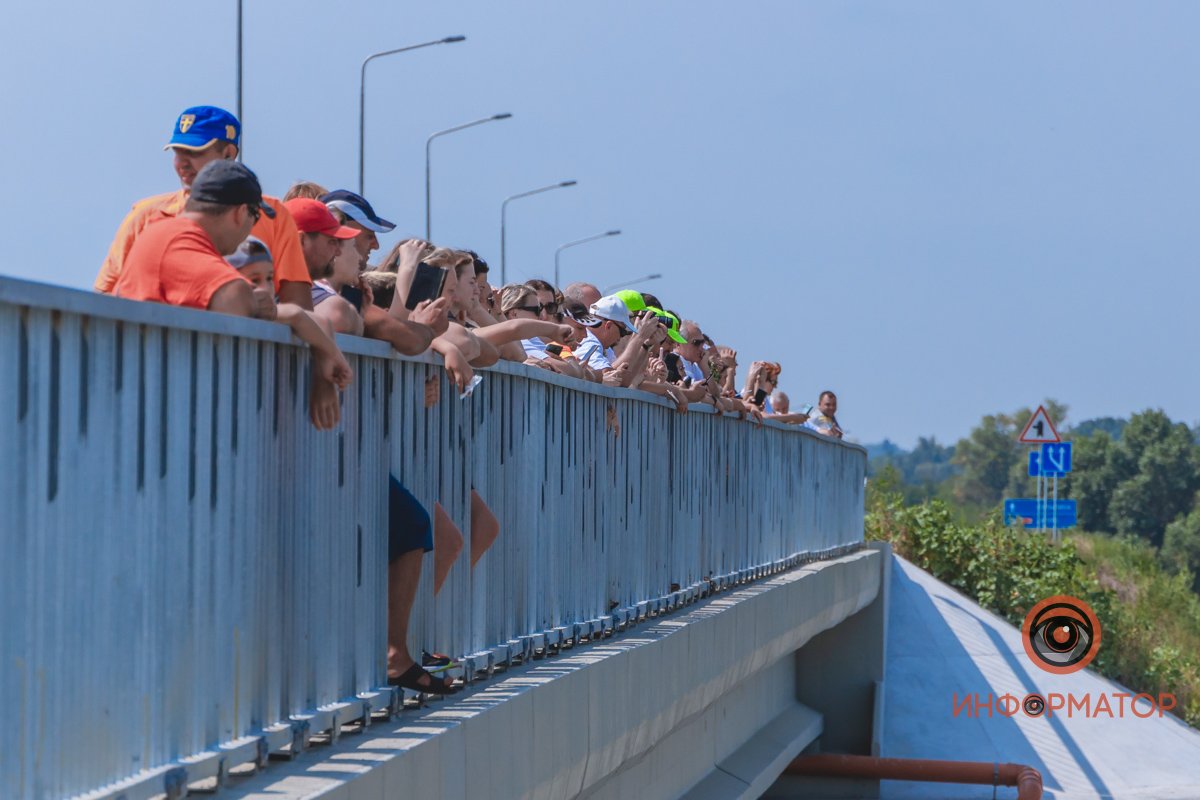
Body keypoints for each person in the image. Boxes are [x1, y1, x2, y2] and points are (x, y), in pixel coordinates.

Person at [115, 160, 348, 429]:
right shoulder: (180, 242)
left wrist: (304, 328)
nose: (251, 229)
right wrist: (277, 311)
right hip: (153, 414)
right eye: (255, 217)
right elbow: (234, 298)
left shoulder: (158, 230)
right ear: (239, 213)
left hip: (148, 403)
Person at [96, 105, 313, 308]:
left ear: (228, 154)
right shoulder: (144, 215)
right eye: (177, 152)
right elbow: (104, 298)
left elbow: (298, 303)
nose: (182, 162)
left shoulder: (272, 214)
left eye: (195, 151)